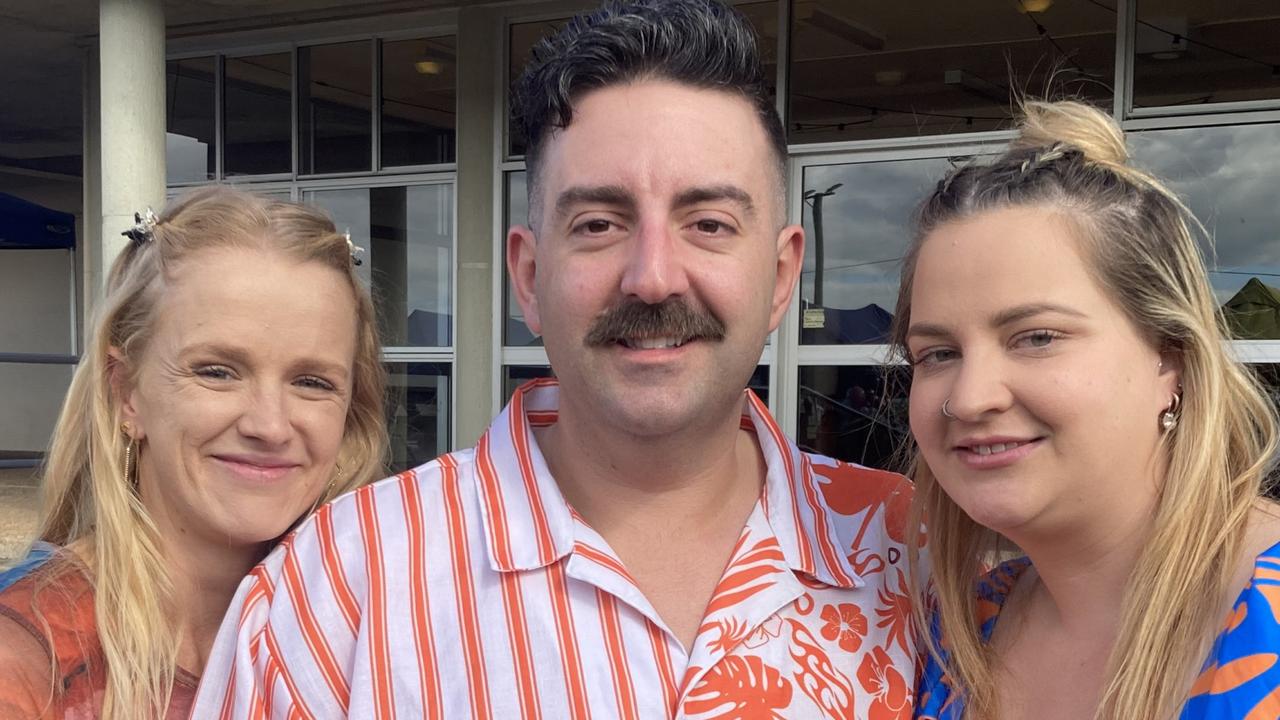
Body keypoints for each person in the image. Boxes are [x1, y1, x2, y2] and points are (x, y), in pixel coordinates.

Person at [193, 0, 917, 717]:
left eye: (708, 223)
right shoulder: (336, 593)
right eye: (599, 224)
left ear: (782, 277)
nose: (653, 275)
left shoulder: (915, 557)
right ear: (529, 277)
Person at [898, 100, 1280, 719]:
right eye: (938, 352)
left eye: (1037, 337)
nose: (969, 398)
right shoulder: (960, 629)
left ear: (1170, 358)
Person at [0, 186, 388, 719]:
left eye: (312, 382)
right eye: (217, 371)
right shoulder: (25, 652)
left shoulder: (368, 626)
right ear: (125, 393)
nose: (270, 425)